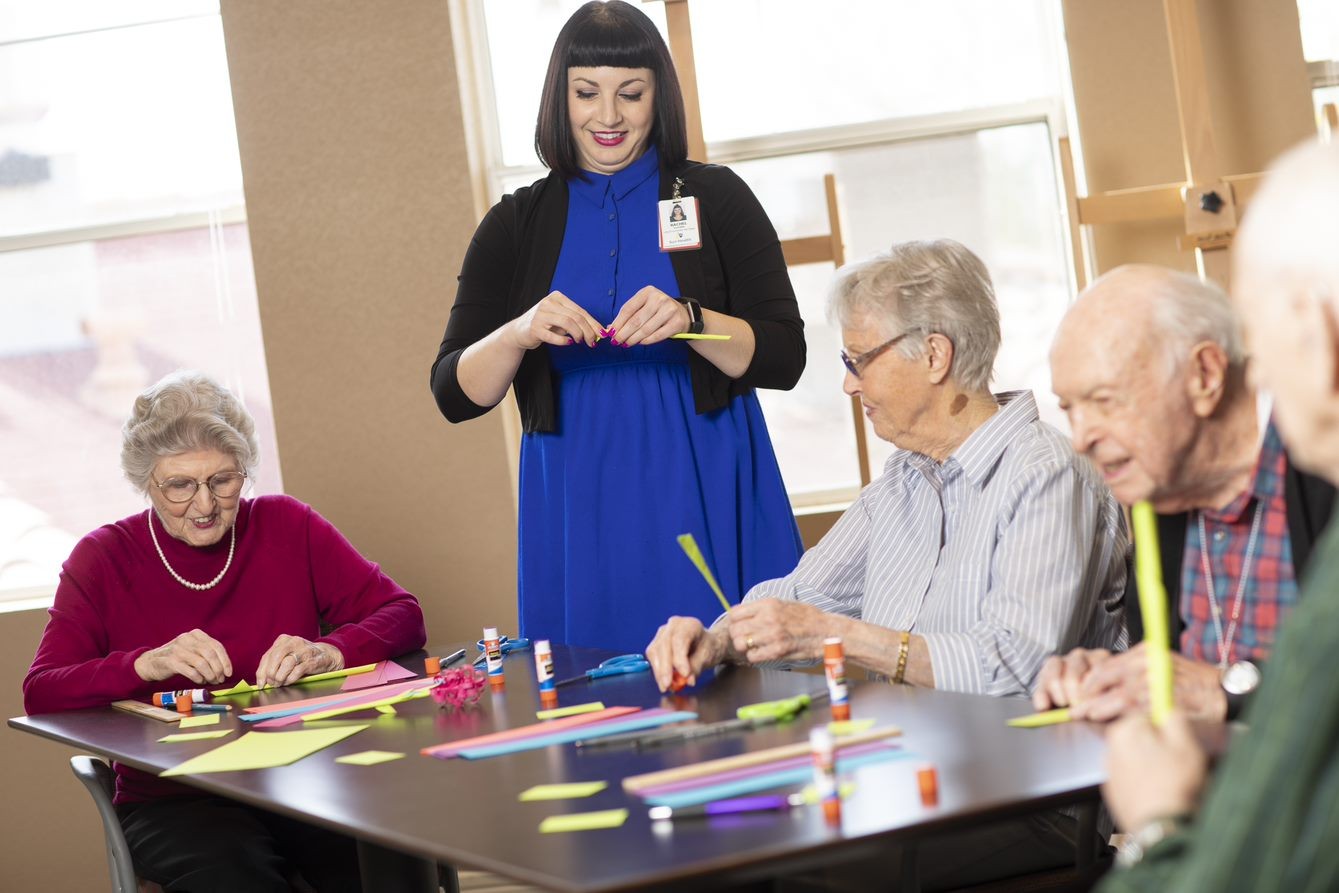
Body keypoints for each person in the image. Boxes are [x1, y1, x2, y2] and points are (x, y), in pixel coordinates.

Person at [647, 240, 1127, 889]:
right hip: (907, 774)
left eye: (857, 359)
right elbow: (795, 597)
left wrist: (834, 634)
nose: (847, 382)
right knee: (702, 839)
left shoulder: (1047, 475)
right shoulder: (902, 481)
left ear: (934, 355)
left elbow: (1015, 668)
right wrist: (717, 637)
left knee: (773, 868)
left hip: (1026, 796)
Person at [430, 1, 804, 654]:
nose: (607, 117)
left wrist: (693, 321)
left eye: (629, 94)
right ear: (559, 98)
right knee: (600, 698)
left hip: (705, 473)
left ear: (658, 96)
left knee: (734, 687)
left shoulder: (715, 199)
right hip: (578, 497)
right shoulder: (515, 224)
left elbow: (785, 356)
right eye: (586, 94)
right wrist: (519, 331)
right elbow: (454, 392)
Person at [23, 371, 426, 893]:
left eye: (223, 480)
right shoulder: (102, 558)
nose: (206, 504)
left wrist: (330, 651)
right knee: (238, 876)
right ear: (147, 481)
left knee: (383, 859)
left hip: (304, 773)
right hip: (176, 798)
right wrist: (144, 663)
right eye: (180, 485)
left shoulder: (287, 525)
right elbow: (42, 690)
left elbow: (404, 614)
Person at [1096, 140, 1339, 891]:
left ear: (1319, 332)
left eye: (1259, 341)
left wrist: (1153, 825)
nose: (1255, 372)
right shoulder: (1154, 500)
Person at [1037, 266, 1333, 722]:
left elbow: (1209, 686)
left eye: (1104, 401)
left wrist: (1230, 688)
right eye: (1069, 409)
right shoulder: (1159, 487)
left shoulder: (1324, 456)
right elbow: (1173, 674)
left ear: (1205, 374)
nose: (1080, 439)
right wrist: (1113, 679)